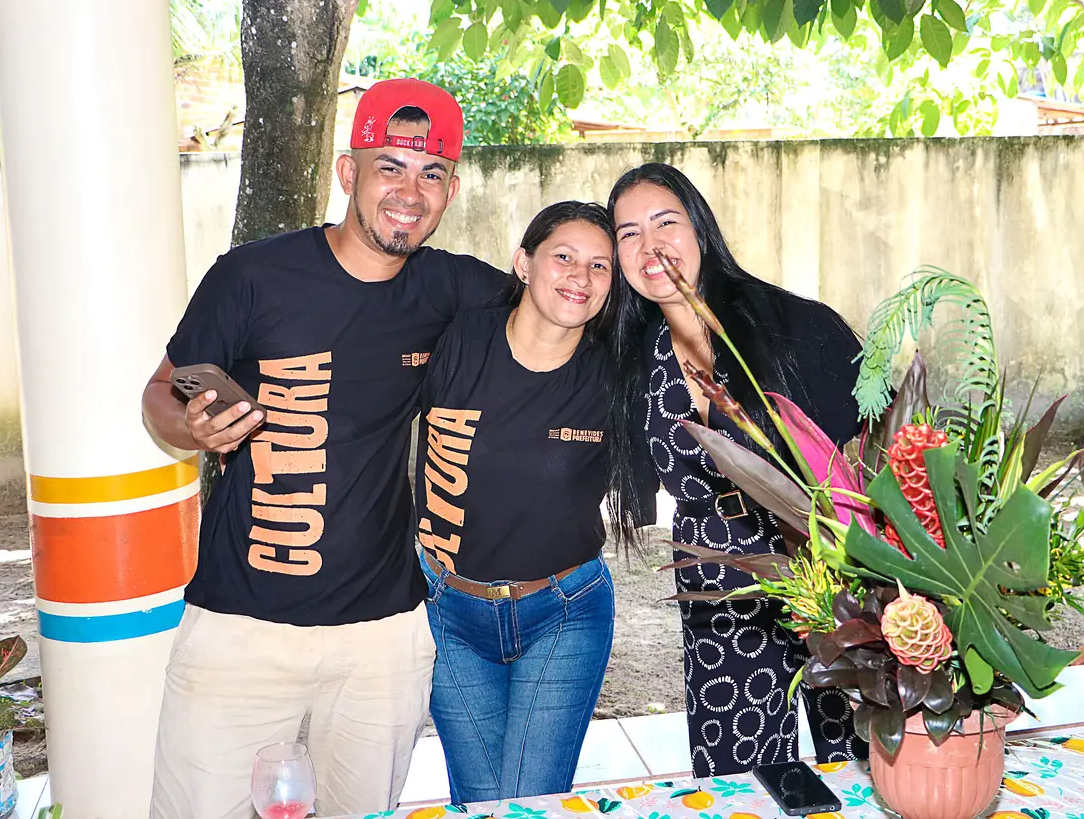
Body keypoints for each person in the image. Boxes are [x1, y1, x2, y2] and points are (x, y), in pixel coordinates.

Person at [142, 79, 507, 819]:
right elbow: (159, 394)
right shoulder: (251, 276)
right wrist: (193, 430)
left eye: (432, 173)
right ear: (349, 172)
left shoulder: (451, 288)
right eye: (390, 167)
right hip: (241, 632)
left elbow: (561, 309)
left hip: (380, 641)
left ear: (450, 190)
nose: (410, 192)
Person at [606, 162, 867, 778]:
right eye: (628, 233)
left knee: (861, 757)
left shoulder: (797, 326)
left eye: (665, 223)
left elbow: (873, 454)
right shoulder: (631, 359)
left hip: (828, 568)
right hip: (717, 580)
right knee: (738, 773)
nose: (650, 245)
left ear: (700, 228)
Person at [417, 201, 618, 803]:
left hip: (563, 612)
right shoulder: (458, 338)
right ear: (523, 264)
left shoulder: (613, 374)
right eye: (564, 257)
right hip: (447, 611)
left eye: (600, 265)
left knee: (532, 801)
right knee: (479, 802)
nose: (580, 277)